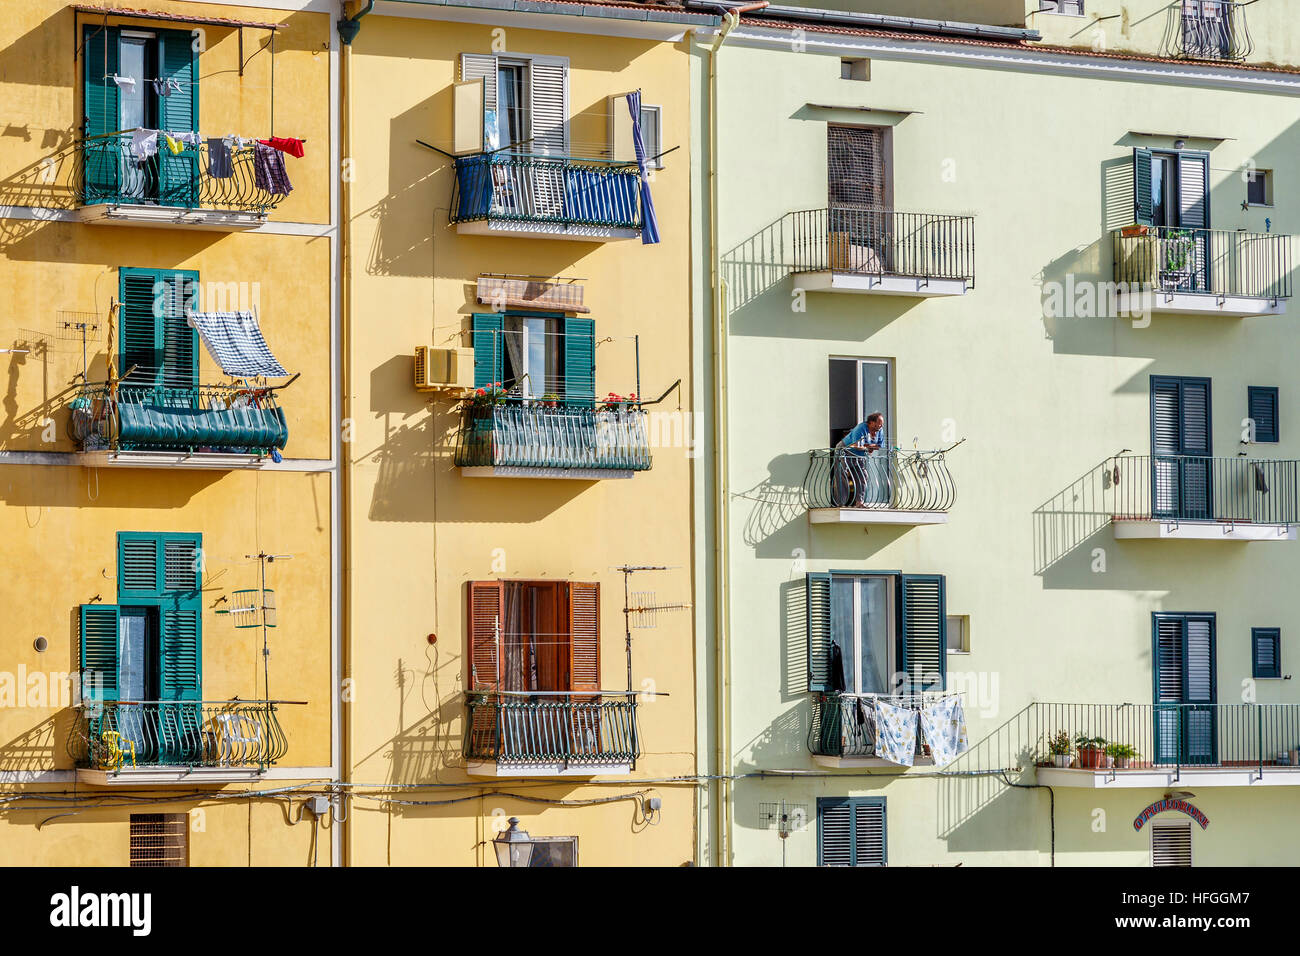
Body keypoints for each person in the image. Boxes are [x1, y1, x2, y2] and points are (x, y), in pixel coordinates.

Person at [839, 412, 890, 505]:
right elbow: (856, 445)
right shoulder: (861, 428)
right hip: (845, 452)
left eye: (882, 423)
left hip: (860, 454)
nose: (881, 425)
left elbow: (879, 445)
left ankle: (859, 502)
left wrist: (867, 446)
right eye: (879, 423)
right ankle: (840, 503)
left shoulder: (880, 430)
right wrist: (869, 447)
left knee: (862, 476)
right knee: (842, 475)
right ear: (871, 422)